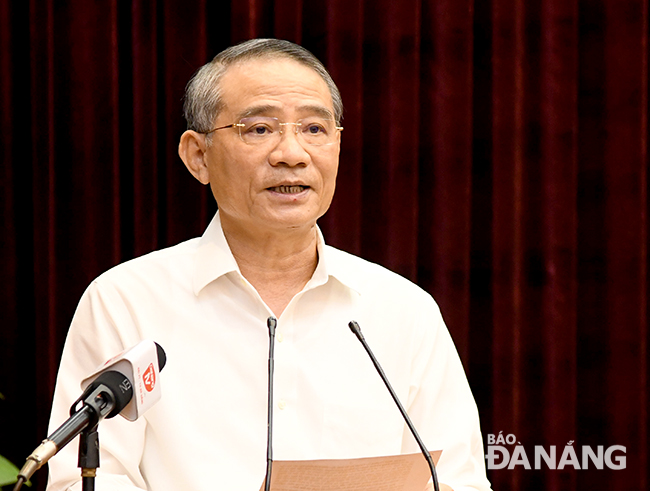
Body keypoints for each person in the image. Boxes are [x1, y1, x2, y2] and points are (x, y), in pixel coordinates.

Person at [45, 39, 492, 491]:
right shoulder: (127, 301)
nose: (292, 153)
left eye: (315, 129)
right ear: (198, 156)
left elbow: (459, 480)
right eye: (259, 129)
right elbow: (83, 482)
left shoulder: (402, 311)